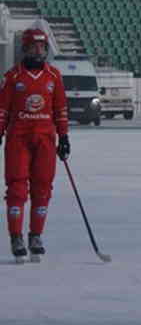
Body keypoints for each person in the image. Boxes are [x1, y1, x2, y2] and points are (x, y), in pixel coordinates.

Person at [0, 28, 70, 263]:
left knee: (42, 188)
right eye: (33, 47)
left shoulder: (54, 76)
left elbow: (60, 109)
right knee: (18, 188)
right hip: (18, 138)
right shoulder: (13, 77)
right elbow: (3, 110)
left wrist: (64, 137)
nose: (38, 51)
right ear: (25, 49)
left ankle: (36, 236)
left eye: (42, 47)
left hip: (45, 140)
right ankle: (16, 236)